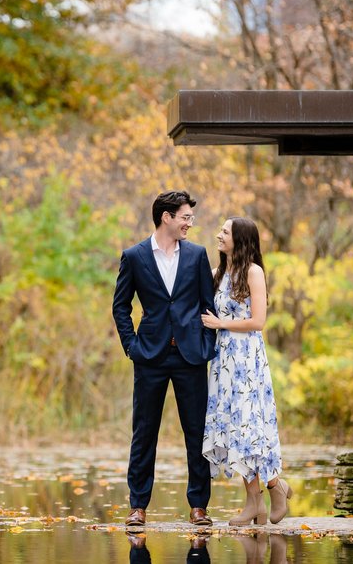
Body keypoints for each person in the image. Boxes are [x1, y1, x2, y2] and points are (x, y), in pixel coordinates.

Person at [112, 190, 218, 529]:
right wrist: (132, 347)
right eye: (185, 217)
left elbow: (207, 305)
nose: (190, 223)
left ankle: (199, 506)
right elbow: (121, 306)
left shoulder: (198, 255)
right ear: (166, 217)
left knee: (196, 432)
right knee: (144, 432)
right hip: (150, 357)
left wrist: (205, 345)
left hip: (190, 357)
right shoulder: (134, 256)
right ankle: (138, 505)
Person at [200, 217, 292, 525]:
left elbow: (258, 321)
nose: (219, 235)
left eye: (225, 231)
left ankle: (275, 488)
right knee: (233, 430)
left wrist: (221, 323)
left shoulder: (253, 272)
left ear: (240, 239)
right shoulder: (217, 274)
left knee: (250, 428)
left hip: (247, 362)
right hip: (223, 362)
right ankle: (256, 503)